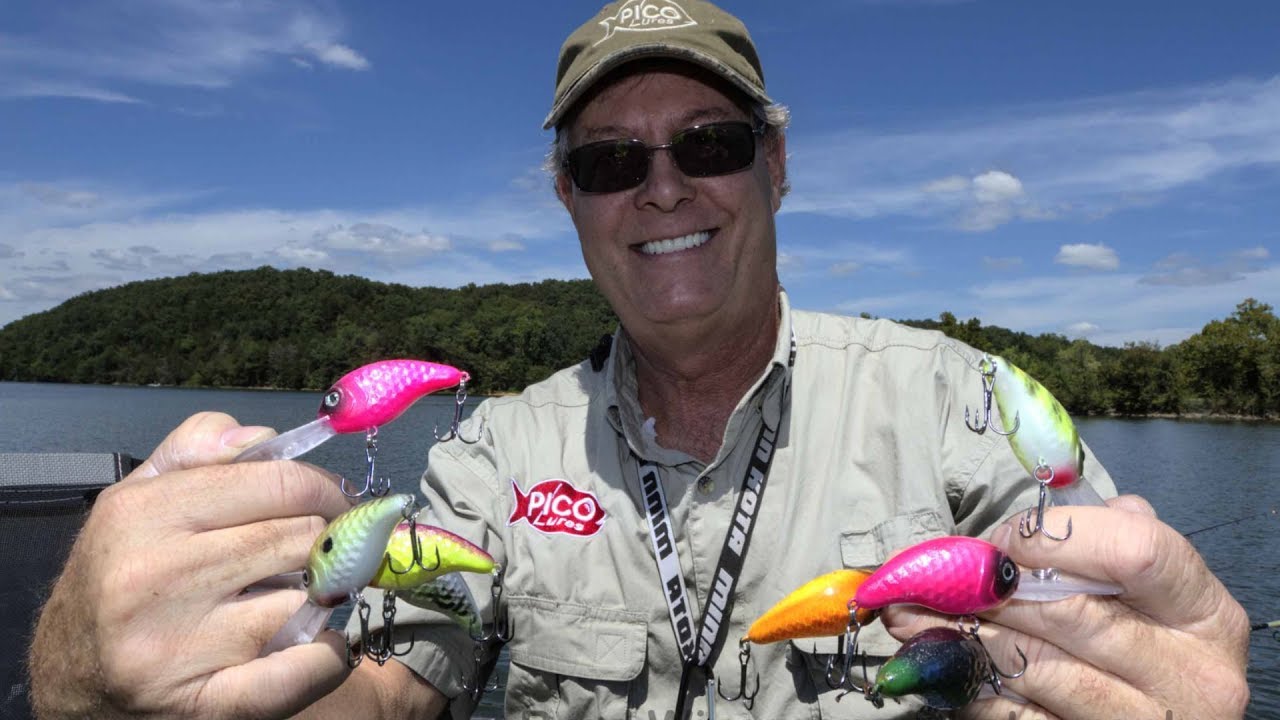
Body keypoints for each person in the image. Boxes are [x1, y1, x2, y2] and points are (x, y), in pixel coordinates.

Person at [28, 2, 1251, 719]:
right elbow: (381, 690)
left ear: (775, 165)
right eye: (611, 160)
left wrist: (1159, 675)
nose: (662, 186)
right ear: (567, 196)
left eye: (706, 143)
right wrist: (102, 682)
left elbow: (1093, 632)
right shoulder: (493, 455)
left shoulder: (963, 407)